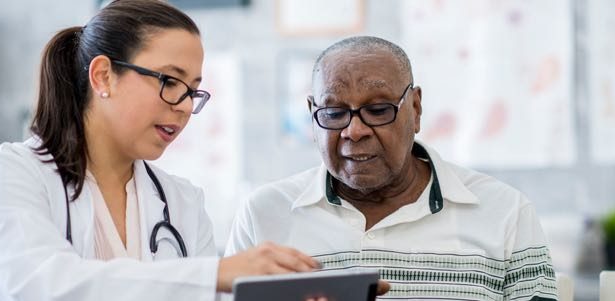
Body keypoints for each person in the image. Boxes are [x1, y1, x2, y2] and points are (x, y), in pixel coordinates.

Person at [0, 1, 319, 300]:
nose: (184, 106)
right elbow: (45, 286)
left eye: (193, 90)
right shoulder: (10, 175)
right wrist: (214, 274)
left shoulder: (182, 202)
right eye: (169, 81)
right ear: (103, 76)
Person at [225, 36, 558, 300]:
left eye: (378, 109)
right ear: (312, 115)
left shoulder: (505, 213)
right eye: (333, 112)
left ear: (415, 108)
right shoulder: (264, 214)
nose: (354, 131)